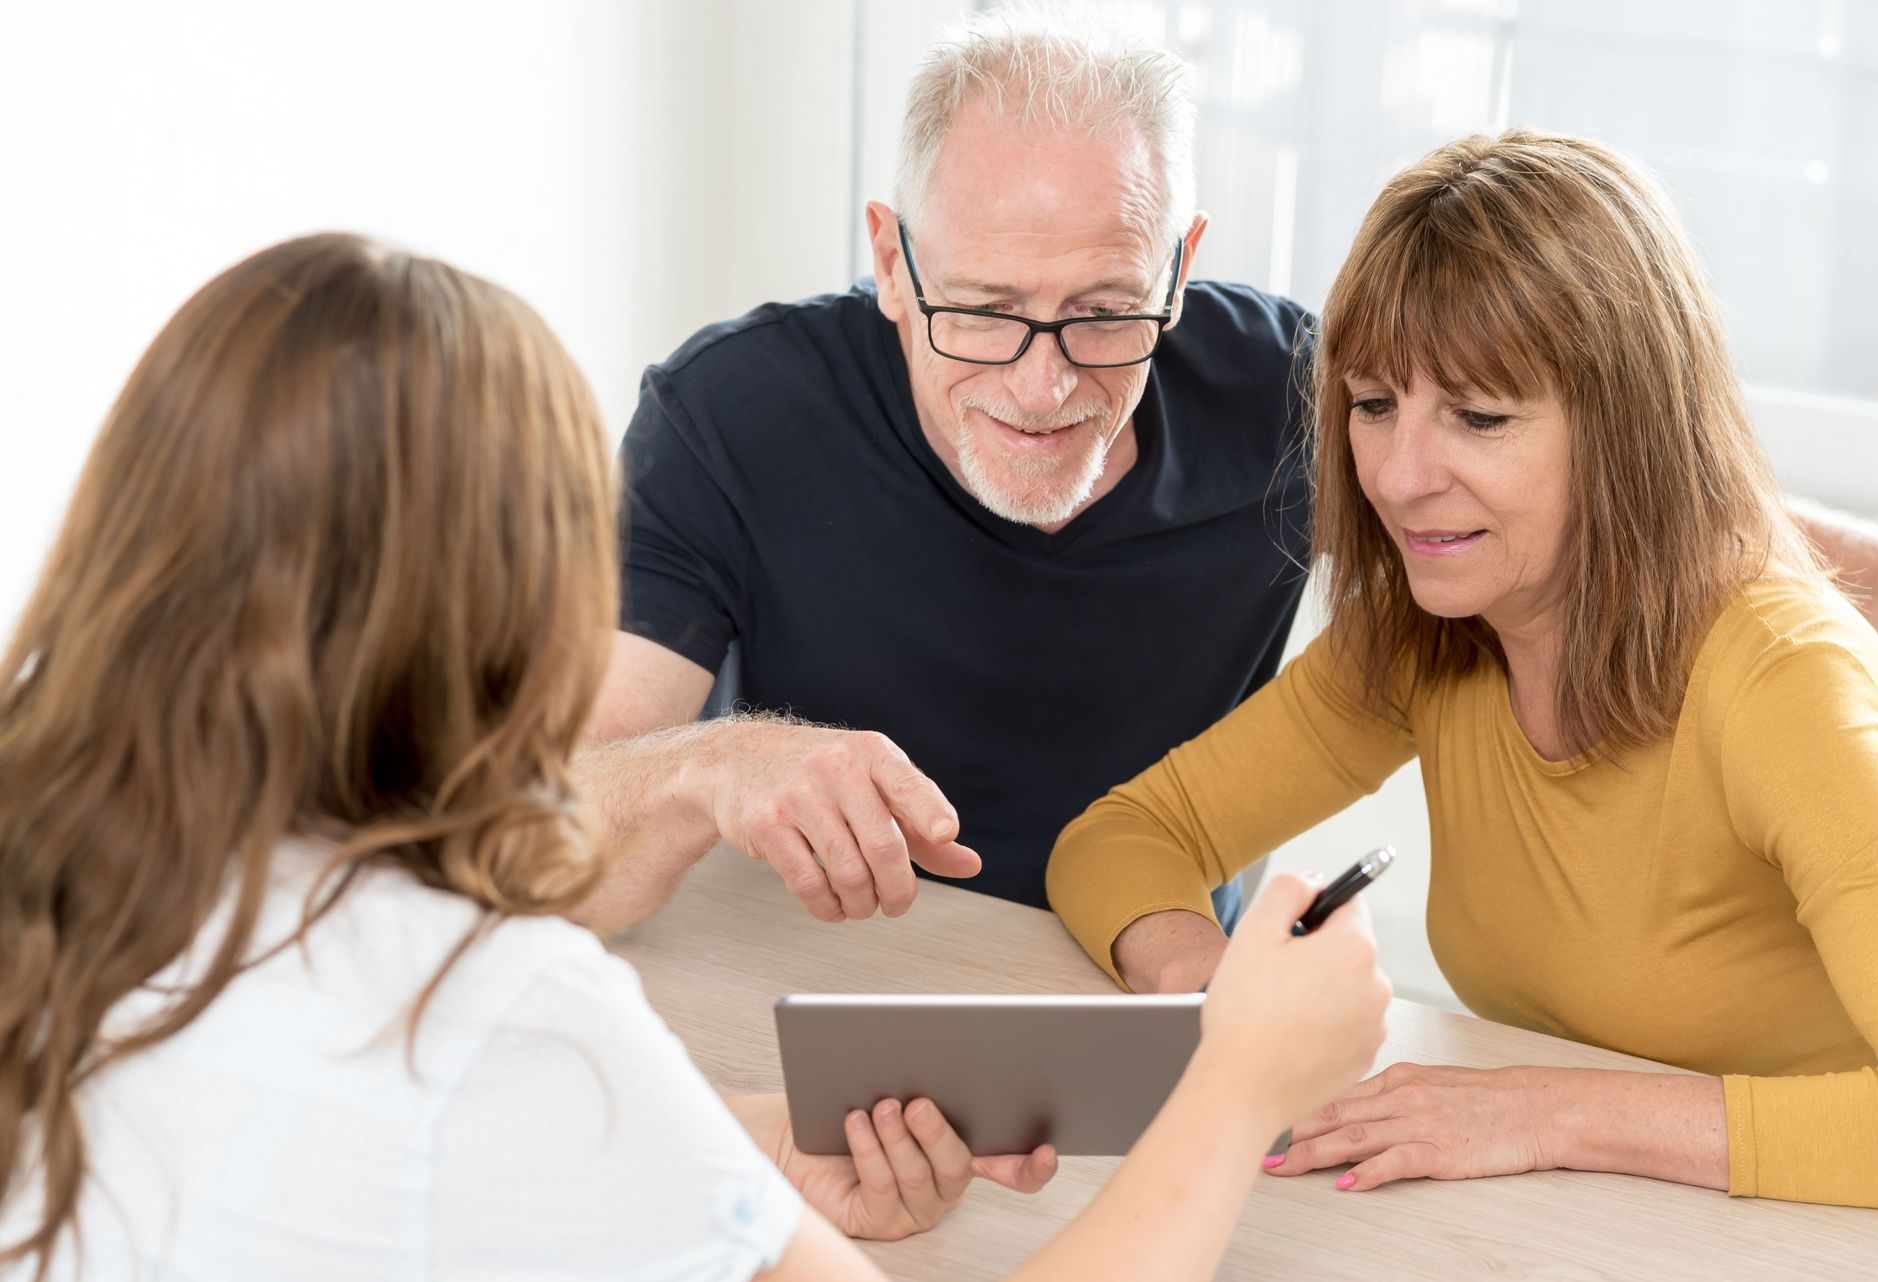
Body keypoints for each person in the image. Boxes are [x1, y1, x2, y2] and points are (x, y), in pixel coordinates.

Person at [0, 233, 1392, 1282]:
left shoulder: (63, 877)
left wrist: (741, 1154)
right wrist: (1238, 1091)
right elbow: (504, 1092)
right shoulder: (492, 1010)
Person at [574, 8, 1878, 940]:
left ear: (1183, 259)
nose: (1044, 383)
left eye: (1107, 309)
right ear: (889, 256)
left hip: (1146, 994)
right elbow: (541, 846)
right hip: (815, 978)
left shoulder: (1294, 393)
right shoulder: (733, 413)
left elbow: (1643, 505)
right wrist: (711, 763)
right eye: (981, 309)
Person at [1047, 129, 1878, 1212]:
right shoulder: (1426, 636)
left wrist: (1545, 1111)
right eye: (1373, 404)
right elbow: (1123, 836)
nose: (1401, 479)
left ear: (1628, 427)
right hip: (1593, 1221)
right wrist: (1209, 984)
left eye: (1480, 416)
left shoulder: (1783, 684)